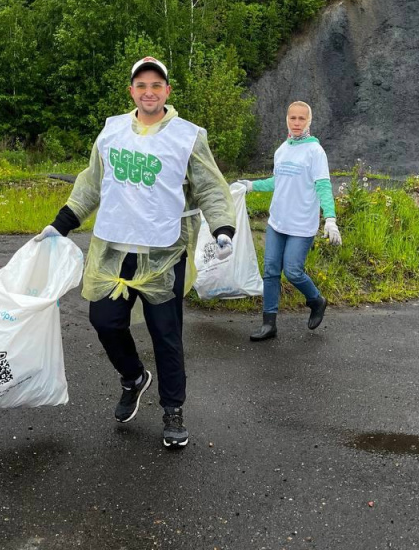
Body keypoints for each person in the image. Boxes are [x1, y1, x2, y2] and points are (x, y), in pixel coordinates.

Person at [34, 57, 236, 449]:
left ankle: (173, 410)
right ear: (131, 91)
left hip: (164, 252)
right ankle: (133, 377)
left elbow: (211, 187)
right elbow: (91, 183)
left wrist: (222, 227)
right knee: (104, 320)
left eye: (156, 85)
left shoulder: (187, 136)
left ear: (167, 91)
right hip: (114, 250)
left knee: (166, 336)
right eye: (141, 85)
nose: (149, 92)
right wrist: (61, 223)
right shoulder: (111, 132)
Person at [235, 101, 341, 341]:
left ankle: (316, 300)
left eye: (301, 119)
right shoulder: (282, 149)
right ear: (286, 119)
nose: (296, 122)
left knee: (293, 271)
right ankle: (269, 323)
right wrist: (251, 185)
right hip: (277, 222)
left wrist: (330, 219)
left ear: (309, 122)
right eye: (292, 118)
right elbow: (277, 181)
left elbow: (323, 185)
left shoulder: (315, 152)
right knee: (271, 271)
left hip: (301, 225)